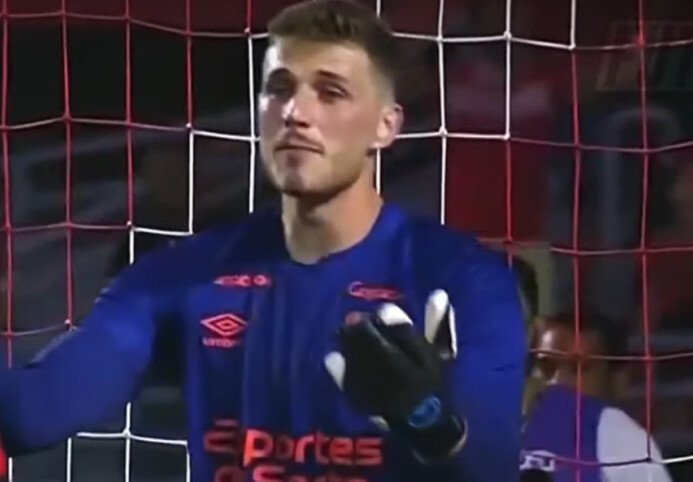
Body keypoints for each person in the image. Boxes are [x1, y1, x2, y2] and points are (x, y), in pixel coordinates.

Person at [0, 1, 526, 481]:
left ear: (385, 127)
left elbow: (493, 470)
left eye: (331, 92)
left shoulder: (463, 279)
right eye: (279, 88)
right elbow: (30, 415)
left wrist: (429, 421)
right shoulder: (182, 275)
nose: (295, 112)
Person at [522, 314, 672, 482]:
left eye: (579, 368)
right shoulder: (507, 430)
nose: (558, 381)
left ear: (618, 379)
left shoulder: (626, 441)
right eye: (546, 367)